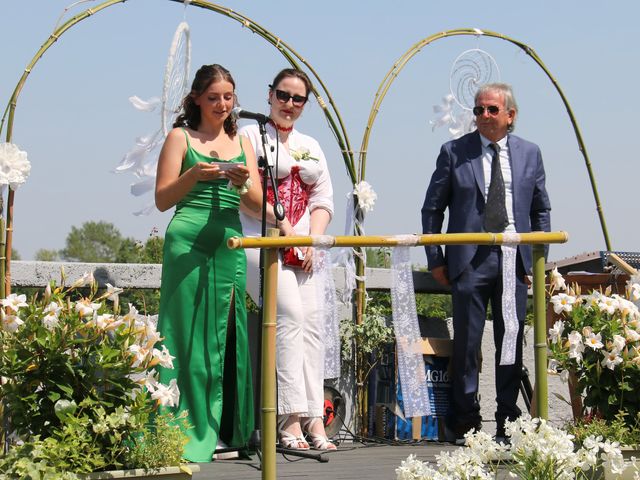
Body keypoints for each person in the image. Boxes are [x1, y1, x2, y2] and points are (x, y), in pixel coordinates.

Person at [421, 83, 551, 444]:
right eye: (479, 110)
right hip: (468, 262)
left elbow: (541, 210)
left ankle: (508, 422)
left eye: (492, 110)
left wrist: (538, 263)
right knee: (466, 346)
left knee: (510, 343)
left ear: (511, 115)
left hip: (515, 261)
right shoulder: (453, 152)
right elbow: (432, 209)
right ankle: (465, 422)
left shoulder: (530, 153)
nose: (484, 116)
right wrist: (436, 259)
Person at [155, 64, 262, 462]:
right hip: (188, 243)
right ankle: (183, 429)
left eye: (228, 97)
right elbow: (164, 199)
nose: (222, 104)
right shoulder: (180, 137)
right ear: (197, 98)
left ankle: (224, 428)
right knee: (186, 337)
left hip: (228, 243)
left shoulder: (242, 140)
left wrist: (242, 183)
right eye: (214, 96)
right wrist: (195, 176)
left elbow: (255, 202)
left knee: (225, 334)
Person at [239, 68, 336, 451]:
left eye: (298, 99)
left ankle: (315, 418)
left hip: (303, 245)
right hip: (259, 239)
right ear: (269, 95)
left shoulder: (311, 143)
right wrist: (285, 229)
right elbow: (247, 189)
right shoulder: (249, 135)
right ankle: (288, 419)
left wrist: (310, 240)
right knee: (290, 317)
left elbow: (323, 197)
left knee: (312, 325)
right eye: (283, 95)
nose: (290, 105)